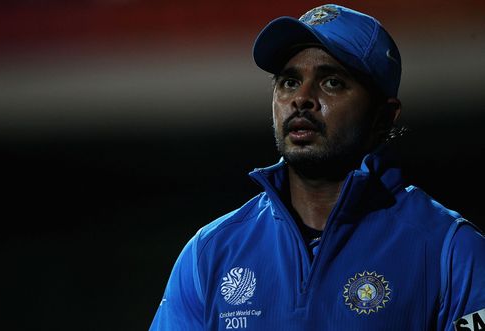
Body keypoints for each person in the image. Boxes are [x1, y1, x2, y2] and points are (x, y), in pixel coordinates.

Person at [149, 4, 485, 331]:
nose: (301, 98)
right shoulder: (209, 253)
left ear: (383, 117)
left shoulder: (450, 249)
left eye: (332, 82)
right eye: (289, 82)